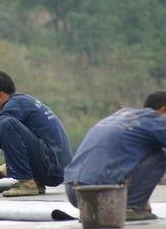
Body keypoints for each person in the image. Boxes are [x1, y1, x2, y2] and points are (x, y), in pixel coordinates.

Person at [64, 91, 166, 220]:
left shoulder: (120, 117)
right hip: (101, 192)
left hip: (74, 193)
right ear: (163, 110)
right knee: (159, 156)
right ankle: (130, 207)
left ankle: (119, 205)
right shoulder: (153, 119)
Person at [0, 71, 72, 197]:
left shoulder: (13, 106)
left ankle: (27, 183)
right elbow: (26, 148)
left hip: (52, 165)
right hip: (58, 169)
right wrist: (1, 172)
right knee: (7, 124)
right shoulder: (24, 101)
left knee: (5, 124)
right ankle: (35, 182)